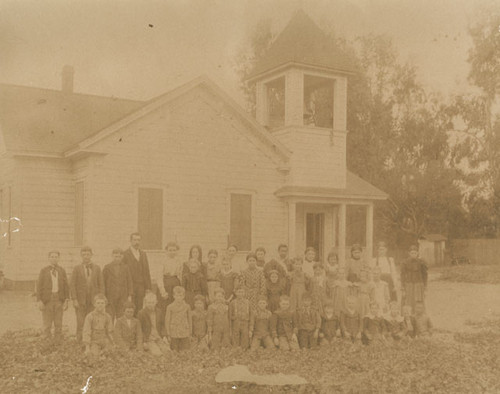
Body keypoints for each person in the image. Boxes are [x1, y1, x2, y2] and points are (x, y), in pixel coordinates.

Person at [70, 246, 104, 343]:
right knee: (81, 322)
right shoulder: (77, 268)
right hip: (80, 301)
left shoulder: (97, 268)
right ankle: (80, 341)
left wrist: (100, 299)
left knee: (93, 321)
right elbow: (72, 285)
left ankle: (92, 342)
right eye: (84, 254)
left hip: (93, 301)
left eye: (88, 254)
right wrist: (74, 299)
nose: (86, 256)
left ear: (91, 255)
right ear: (81, 255)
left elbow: (101, 284)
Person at [36, 250, 69, 343]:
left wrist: (66, 300)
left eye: (56, 257)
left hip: (59, 299)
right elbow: (39, 286)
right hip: (47, 299)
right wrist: (39, 300)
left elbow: (66, 286)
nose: (54, 258)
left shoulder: (62, 270)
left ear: (58, 258)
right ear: (48, 258)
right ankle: (47, 341)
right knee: (47, 322)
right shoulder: (44, 270)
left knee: (58, 322)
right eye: (52, 257)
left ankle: (57, 342)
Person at [123, 233, 152, 312]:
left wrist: (148, 287)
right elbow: (123, 273)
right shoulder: (125, 254)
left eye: (138, 240)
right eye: (135, 240)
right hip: (130, 286)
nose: (137, 242)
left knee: (139, 307)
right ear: (130, 241)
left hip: (141, 286)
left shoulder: (143, 254)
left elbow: (146, 271)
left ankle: (138, 324)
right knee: (130, 307)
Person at [102, 248, 133, 322]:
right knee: (110, 315)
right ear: (112, 256)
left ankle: (120, 331)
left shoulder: (126, 267)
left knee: (121, 315)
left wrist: (129, 295)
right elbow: (103, 283)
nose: (117, 258)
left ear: (122, 257)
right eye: (116, 256)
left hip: (122, 296)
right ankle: (110, 332)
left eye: (119, 257)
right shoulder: (107, 267)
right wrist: (103, 296)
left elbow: (129, 281)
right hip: (110, 296)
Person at [82, 294, 114, 364]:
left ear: (105, 304)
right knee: (94, 359)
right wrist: (87, 346)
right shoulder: (90, 316)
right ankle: (96, 355)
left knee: (113, 354)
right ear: (94, 304)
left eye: (102, 303)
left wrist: (112, 342)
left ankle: (103, 354)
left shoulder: (108, 316)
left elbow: (110, 332)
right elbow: (86, 331)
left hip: (104, 339)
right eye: (98, 303)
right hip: (94, 341)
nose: (100, 305)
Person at [157, 242, 182, 322]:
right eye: (170, 250)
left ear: (177, 251)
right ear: (166, 251)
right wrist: (163, 291)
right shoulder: (162, 261)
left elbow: (180, 275)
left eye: (174, 250)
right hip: (166, 285)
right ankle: (164, 329)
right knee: (165, 307)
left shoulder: (178, 261)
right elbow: (159, 276)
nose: (172, 252)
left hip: (175, 285)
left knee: (175, 306)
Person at [400, 245, 428, 311]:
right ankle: (408, 315)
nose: (413, 254)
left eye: (415, 253)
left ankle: (419, 314)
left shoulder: (421, 262)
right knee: (408, 301)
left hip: (419, 284)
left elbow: (425, 275)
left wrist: (425, 286)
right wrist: (403, 286)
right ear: (409, 253)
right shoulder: (405, 262)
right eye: (412, 253)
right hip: (409, 284)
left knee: (418, 300)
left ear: (417, 253)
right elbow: (402, 275)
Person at [165, 286, 192, 352]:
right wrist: (168, 334)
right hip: (174, 332)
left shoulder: (187, 306)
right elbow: (167, 321)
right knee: (174, 351)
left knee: (185, 351)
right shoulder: (170, 307)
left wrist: (190, 332)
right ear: (174, 296)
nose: (179, 298)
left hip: (184, 332)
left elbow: (190, 320)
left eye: (180, 296)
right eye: (177, 296)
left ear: (183, 296)